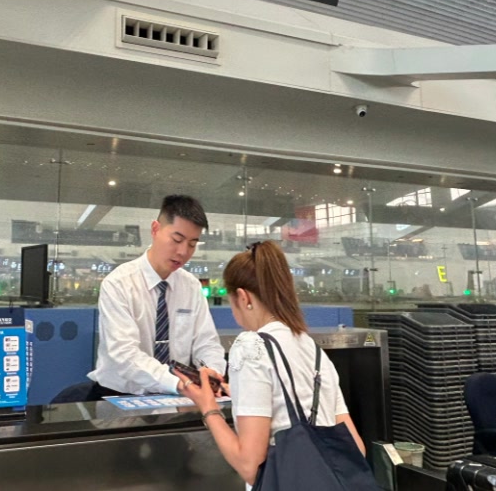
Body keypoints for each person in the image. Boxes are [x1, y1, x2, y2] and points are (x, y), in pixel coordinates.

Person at [181, 240, 365, 487]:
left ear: (243, 297)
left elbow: (250, 467)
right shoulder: (313, 349)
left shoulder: (250, 347)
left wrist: (208, 407)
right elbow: (356, 447)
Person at [86, 195, 226, 397]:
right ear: (155, 229)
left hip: (177, 395)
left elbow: (206, 343)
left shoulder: (191, 286)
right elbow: (124, 354)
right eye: (177, 240)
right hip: (121, 395)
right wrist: (178, 383)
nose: (183, 251)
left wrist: (210, 372)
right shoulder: (119, 283)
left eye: (192, 244)